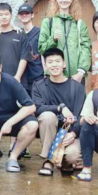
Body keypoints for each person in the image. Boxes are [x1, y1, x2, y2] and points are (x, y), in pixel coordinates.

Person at [32, 47, 86, 176]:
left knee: (72, 156)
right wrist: (60, 108)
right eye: (50, 62)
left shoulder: (77, 87)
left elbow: (82, 114)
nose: (54, 65)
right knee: (47, 116)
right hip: (51, 132)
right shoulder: (39, 86)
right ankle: (49, 160)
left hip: (71, 131)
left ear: (64, 64)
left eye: (57, 61)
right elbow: (38, 108)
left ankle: (66, 160)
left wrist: (74, 133)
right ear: (45, 66)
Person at [38, 0, 91, 82]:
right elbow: (41, 48)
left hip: (76, 76)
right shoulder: (48, 22)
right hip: (54, 76)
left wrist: (81, 72)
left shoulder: (79, 23)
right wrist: (53, 39)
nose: (64, 0)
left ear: (72, 0)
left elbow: (86, 48)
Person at [0, 3, 29, 81]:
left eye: (6, 14)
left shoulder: (20, 34)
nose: (4, 17)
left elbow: (24, 57)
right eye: (0, 15)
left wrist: (18, 76)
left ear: (11, 15)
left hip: (17, 79)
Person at [17, 4, 44, 93]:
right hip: (22, 78)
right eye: (22, 14)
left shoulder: (40, 32)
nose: (24, 15)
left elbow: (44, 53)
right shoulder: (18, 33)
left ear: (32, 15)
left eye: (27, 13)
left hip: (38, 76)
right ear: (19, 17)